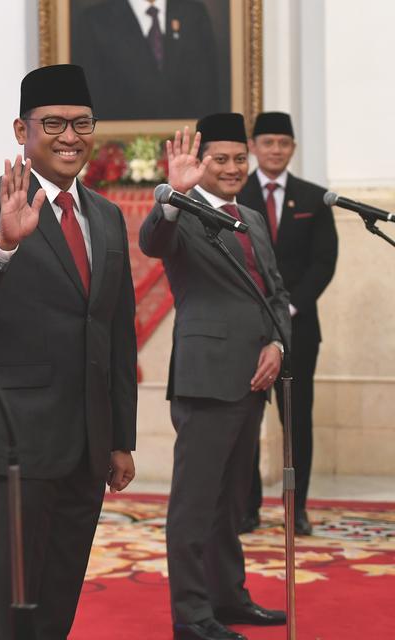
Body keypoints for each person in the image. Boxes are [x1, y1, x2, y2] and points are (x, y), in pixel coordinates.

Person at [0, 64, 138, 639]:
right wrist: (1, 245)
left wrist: (121, 437)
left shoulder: (109, 216)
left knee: (58, 599)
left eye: (82, 123)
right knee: (12, 605)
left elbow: (117, 333)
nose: (70, 137)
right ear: (22, 130)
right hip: (16, 444)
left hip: (87, 446)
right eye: (53, 124)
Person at [138, 114, 290, 640]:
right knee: (195, 505)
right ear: (199, 164)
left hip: (255, 379)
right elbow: (153, 242)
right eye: (218, 160)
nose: (230, 169)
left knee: (232, 504)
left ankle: (228, 597)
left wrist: (276, 345)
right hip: (206, 380)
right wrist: (170, 196)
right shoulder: (180, 211)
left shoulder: (250, 214)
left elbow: (275, 293)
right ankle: (192, 615)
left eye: (237, 160)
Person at [237, 111, 338, 536]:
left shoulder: (314, 199)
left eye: (283, 143)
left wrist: (289, 307)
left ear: (293, 148)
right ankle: (246, 508)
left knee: (297, 421)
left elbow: (323, 263)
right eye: (268, 142)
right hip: (246, 329)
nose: (276, 149)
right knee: (242, 422)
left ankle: (296, 509)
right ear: (255, 148)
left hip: (299, 328)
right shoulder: (235, 195)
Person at [71, 0, 223, 120]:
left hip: (189, 144)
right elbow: (92, 97)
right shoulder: (95, 21)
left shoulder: (194, 15)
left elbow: (209, 92)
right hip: (118, 147)